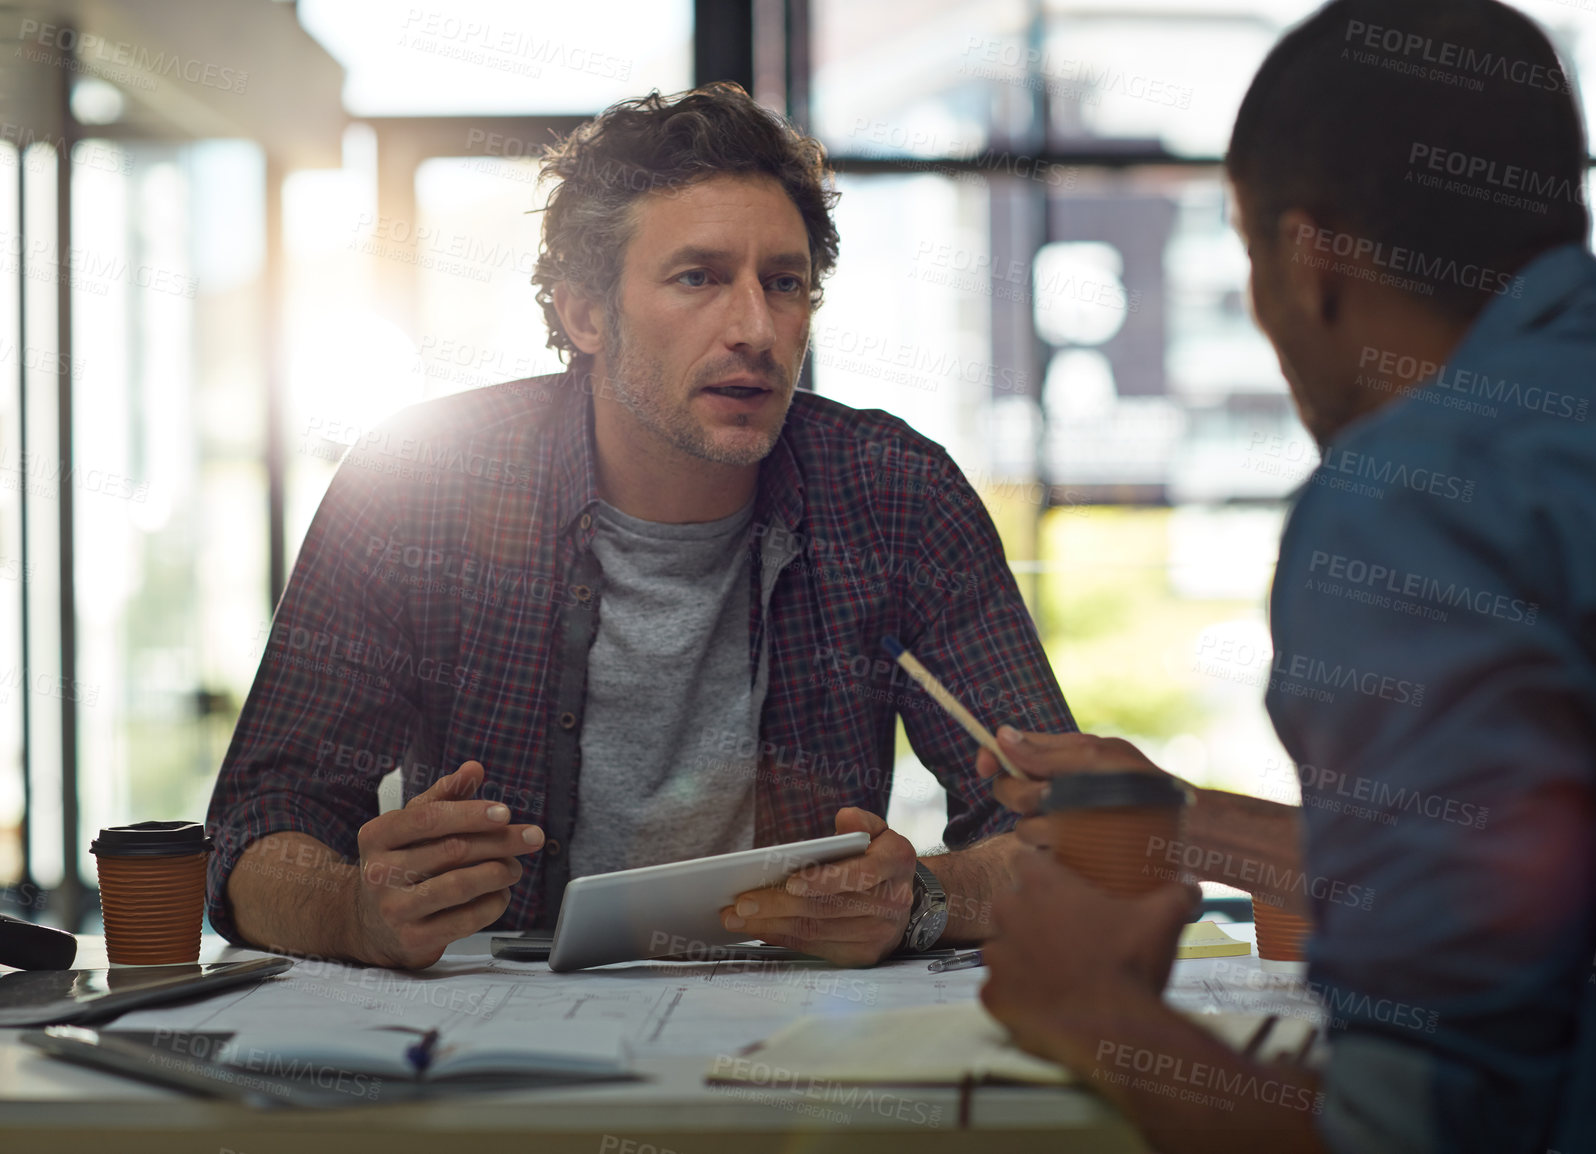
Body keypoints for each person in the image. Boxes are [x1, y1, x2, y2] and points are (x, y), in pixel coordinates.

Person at [976, 1, 1596, 1151]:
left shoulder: (1416, 496)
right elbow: (1587, 875)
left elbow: (1404, 1138)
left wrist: (1090, 1006)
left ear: (1309, 259)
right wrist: (1183, 822)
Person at [207, 83, 1073, 970]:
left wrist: (924, 899)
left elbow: (1058, 832)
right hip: (492, 1032)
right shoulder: (418, 482)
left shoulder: (896, 493)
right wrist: (354, 912)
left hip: (798, 1035)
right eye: (698, 278)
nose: (756, 328)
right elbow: (257, 828)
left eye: (784, 284)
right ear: (584, 312)